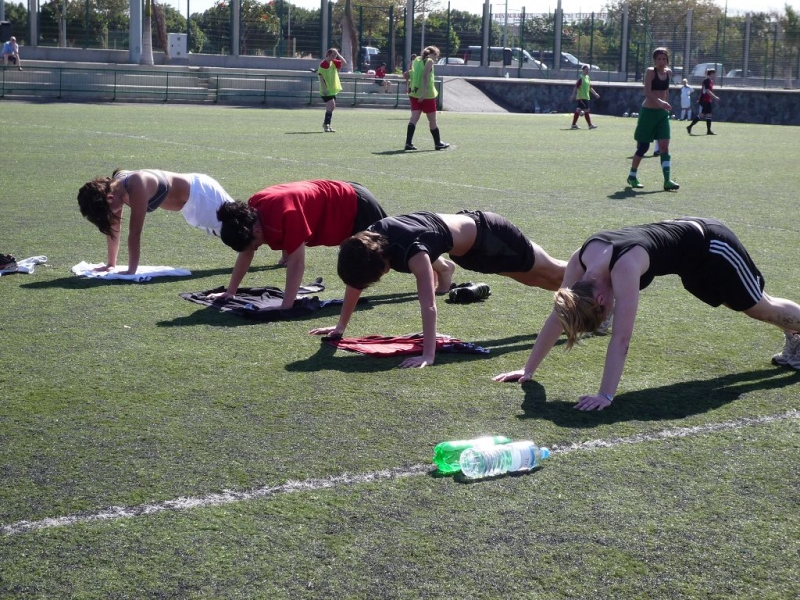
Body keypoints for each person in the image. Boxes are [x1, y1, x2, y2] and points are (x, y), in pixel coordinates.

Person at [493, 217, 800, 409]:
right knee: (739, 304)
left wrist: (606, 395)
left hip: (712, 245)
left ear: (600, 297)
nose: (607, 317)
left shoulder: (624, 269)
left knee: (759, 307)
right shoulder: (580, 262)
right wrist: (529, 369)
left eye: (603, 314)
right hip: (686, 259)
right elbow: (559, 314)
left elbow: (622, 339)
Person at [309, 210, 567, 368]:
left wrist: (428, 354)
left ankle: (598, 282)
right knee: (534, 280)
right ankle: (591, 301)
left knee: (553, 272)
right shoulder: (367, 241)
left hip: (492, 236)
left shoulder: (414, 253)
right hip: (471, 253)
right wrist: (340, 328)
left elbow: (428, 304)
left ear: (382, 262)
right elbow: (355, 284)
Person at [210, 180, 387, 310]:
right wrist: (230, 291)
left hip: (356, 205)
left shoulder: (287, 214)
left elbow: (297, 263)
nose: (256, 249)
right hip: (346, 196)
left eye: (256, 246)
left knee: (392, 256)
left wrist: (286, 305)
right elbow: (246, 252)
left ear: (256, 232)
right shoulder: (252, 212)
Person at [77, 170, 234, 275]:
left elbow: (135, 233)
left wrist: (131, 271)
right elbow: (114, 227)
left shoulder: (136, 184)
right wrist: (111, 264)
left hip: (202, 195)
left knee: (242, 229)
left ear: (109, 198)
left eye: (109, 212)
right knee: (233, 234)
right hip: (192, 207)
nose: (113, 216)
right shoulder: (115, 189)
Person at [626, 47, 679, 191]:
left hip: (662, 115)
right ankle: (632, 176)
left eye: (664, 59)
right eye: (659, 59)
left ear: (667, 60)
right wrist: (660, 102)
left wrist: (665, 106)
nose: (661, 61)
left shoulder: (668, 73)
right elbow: (648, 92)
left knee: (664, 147)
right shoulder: (650, 72)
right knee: (643, 147)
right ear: (654, 60)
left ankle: (667, 181)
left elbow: (666, 91)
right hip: (648, 113)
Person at [405, 46, 449, 151]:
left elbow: (408, 74)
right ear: (433, 54)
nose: (436, 59)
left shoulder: (416, 59)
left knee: (413, 119)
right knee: (432, 120)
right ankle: (438, 143)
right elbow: (425, 76)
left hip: (414, 93)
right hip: (427, 95)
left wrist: (408, 85)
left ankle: (408, 143)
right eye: (436, 56)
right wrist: (424, 93)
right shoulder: (429, 61)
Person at [318, 48, 345, 133]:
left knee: (331, 107)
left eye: (335, 55)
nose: (334, 57)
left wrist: (338, 54)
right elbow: (321, 77)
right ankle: (326, 125)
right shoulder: (323, 64)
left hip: (332, 89)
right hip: (326, 90)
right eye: (332, 55)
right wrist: (324, 89)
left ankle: (327, 125)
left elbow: (344, 63)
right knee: (331, 106)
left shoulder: (334, 62)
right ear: (328, 55)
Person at [687, 69, 720, 135]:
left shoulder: (711, 81)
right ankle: (690, 126)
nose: (715, 75)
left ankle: (708, 131)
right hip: (705, 100)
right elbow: (707, 91)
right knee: (702, 114)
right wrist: (715, 97)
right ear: (710, 74)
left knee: (709, 114)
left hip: (708, 100)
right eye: (714, 74)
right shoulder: (706, 81)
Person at [569, 65, 599, 130]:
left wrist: (595, 93)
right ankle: (590, 125)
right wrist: (573, 95)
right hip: (581, 97)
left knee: (578, 110)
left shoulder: (587, 78)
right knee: (587, 110)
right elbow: (576, 87)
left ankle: (573, 125)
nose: (587, 71)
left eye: (588, 70)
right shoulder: (581, 78)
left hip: (585, 97)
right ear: (583, 70)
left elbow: (590, 88)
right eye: (586, 70)